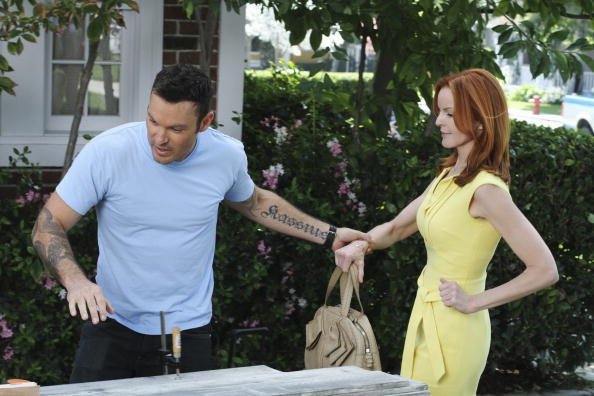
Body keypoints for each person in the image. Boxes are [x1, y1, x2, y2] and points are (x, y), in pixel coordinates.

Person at [31, 63, 369, 383]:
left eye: (175, 129)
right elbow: (48, 225)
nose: (159, 138)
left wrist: (331, 235)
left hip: (186, 331)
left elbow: (256, 202)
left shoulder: (226, 156)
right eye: (152, 121)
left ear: (204, 122)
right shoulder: (108, 152)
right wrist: (76, 283)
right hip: (110, 325)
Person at [334, 68, 558, 395]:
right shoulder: (449, 175)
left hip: (455, 334)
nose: (439, 120)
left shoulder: (487, 191)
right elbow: (397, 227)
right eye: (440, 111)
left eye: (451, 113)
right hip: (425, 318)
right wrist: (361, 245)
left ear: (480, 121)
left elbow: (545, 269)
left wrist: (473, 302)